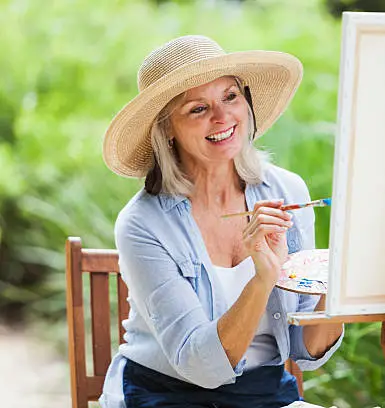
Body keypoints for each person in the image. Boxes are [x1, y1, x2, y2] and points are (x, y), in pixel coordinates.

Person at [99, 35, 344, 408]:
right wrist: (263, 278)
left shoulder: (288, 192)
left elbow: (305, 349)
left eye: (230, 96)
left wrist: (339, 282)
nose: (222, 117)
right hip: (165, 395)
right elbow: (202, 367)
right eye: (198, 109)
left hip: (262, 395)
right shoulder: (142, 223)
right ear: (167, 128)